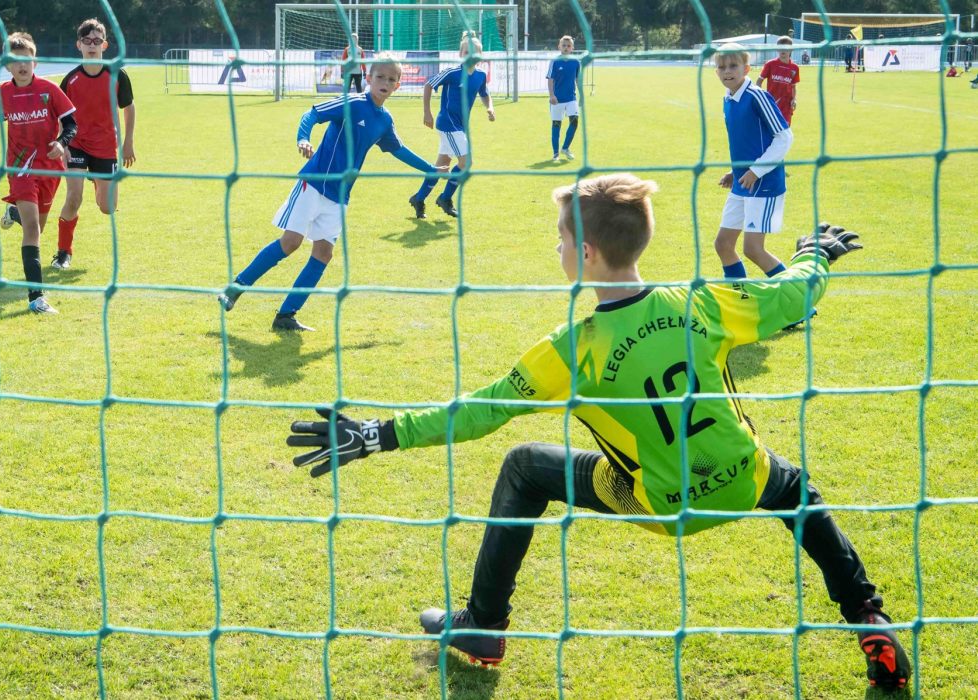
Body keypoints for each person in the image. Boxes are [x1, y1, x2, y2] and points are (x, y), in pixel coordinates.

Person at [285, 172, 910, 692]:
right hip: (744, 481)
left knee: (524, 464)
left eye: (559, 238)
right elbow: (794, 295)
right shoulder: (701, 302)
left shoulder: (573, 350)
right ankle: (868, 616)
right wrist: (815, 252)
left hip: (661, 503)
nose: (555, 249)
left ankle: (481, 624)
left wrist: (379, 434)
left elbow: (480, 410)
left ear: (586, 253)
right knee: (796, 489)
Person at [217, 55, 443, 332]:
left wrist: (429, 169)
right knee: (290, 243)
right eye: (380, 77)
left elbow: (398, 149)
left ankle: (286, 315)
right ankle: (235, 288)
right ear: (368, 78)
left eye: (392, 79)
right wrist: (303, 138)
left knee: (323, 253)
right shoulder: (353, 103)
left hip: (340, 195)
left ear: (398, 85)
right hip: (313, 184)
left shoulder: (384, 120)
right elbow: (312, 113)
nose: (385, 82)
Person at [0, 32, 76, 314]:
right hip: (20, 166)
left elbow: (71, 125)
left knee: (38, 226)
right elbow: (2, 113)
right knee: (33, 230)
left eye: (27, 60)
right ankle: (36, 298)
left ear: (35, 62)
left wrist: (61, 144)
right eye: (15, 61)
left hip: (49, 168)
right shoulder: (4, 91)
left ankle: (13, 214)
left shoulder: (50, 90)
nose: (22, 66)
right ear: (7, 65)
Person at [53, 18, 136, 271]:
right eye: (87, 41)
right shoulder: (70, 80)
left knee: (108, 208)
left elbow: (129, 108)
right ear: (79, 45)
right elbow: (60, 116)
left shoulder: (117, 75)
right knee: (73, 199)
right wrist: (62, 145)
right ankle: (63, 252)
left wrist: (128, 143)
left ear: (105, 45)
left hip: (105, 148)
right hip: (76, 145)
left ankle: (96, 180)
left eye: (97, 41)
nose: (92, 45)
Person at [713, 45, 793, 286]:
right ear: (716, 72)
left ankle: (799, 303)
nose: (727, 71)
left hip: (764, 183)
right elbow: (747, 141)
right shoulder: (728, 98)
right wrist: (735, 170)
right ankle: (740, 298)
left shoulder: (757, 96)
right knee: (723, 244)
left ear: (747, 68)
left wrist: (756, 171)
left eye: (733, 66)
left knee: (754, 249)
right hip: (742, 181)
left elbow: (784, 137)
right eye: (722, 67)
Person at [408, 32, 495, 220]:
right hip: (448, 124)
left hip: (460, 127)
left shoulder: (480, 75)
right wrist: (427, 112)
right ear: (460, 54)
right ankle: (445, 198)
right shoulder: (452, 73)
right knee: (466, 163)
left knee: (441, 166)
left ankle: (418, 198)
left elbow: (485, 93)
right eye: (467, 51)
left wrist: (489, 108)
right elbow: (428, 85)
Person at [546, 35, 580, 161]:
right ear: (559, 46)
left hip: (571, 99)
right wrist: (552, 95)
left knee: (575, 122)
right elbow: (550, 79)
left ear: (572, 48)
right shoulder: (555, 61)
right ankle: (555, 154)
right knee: (556, 125)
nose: (566, 48)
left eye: (568, 46)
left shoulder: (576, 62)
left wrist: (581, 95)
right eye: (563, 45)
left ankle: (565, 148)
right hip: (557, 100)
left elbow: (577, 79)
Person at [757, 36, 800, 125]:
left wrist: (794, 99)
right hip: (771, 103)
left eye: (785, 48)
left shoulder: (794, 68)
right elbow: (759, 81)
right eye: (779, 48)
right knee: (771, 130)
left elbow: (793, 86)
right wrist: (761, 97)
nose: (782, 50)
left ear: (791, 49)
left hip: (786, 105)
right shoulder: (770, 64)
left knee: (785, 131)